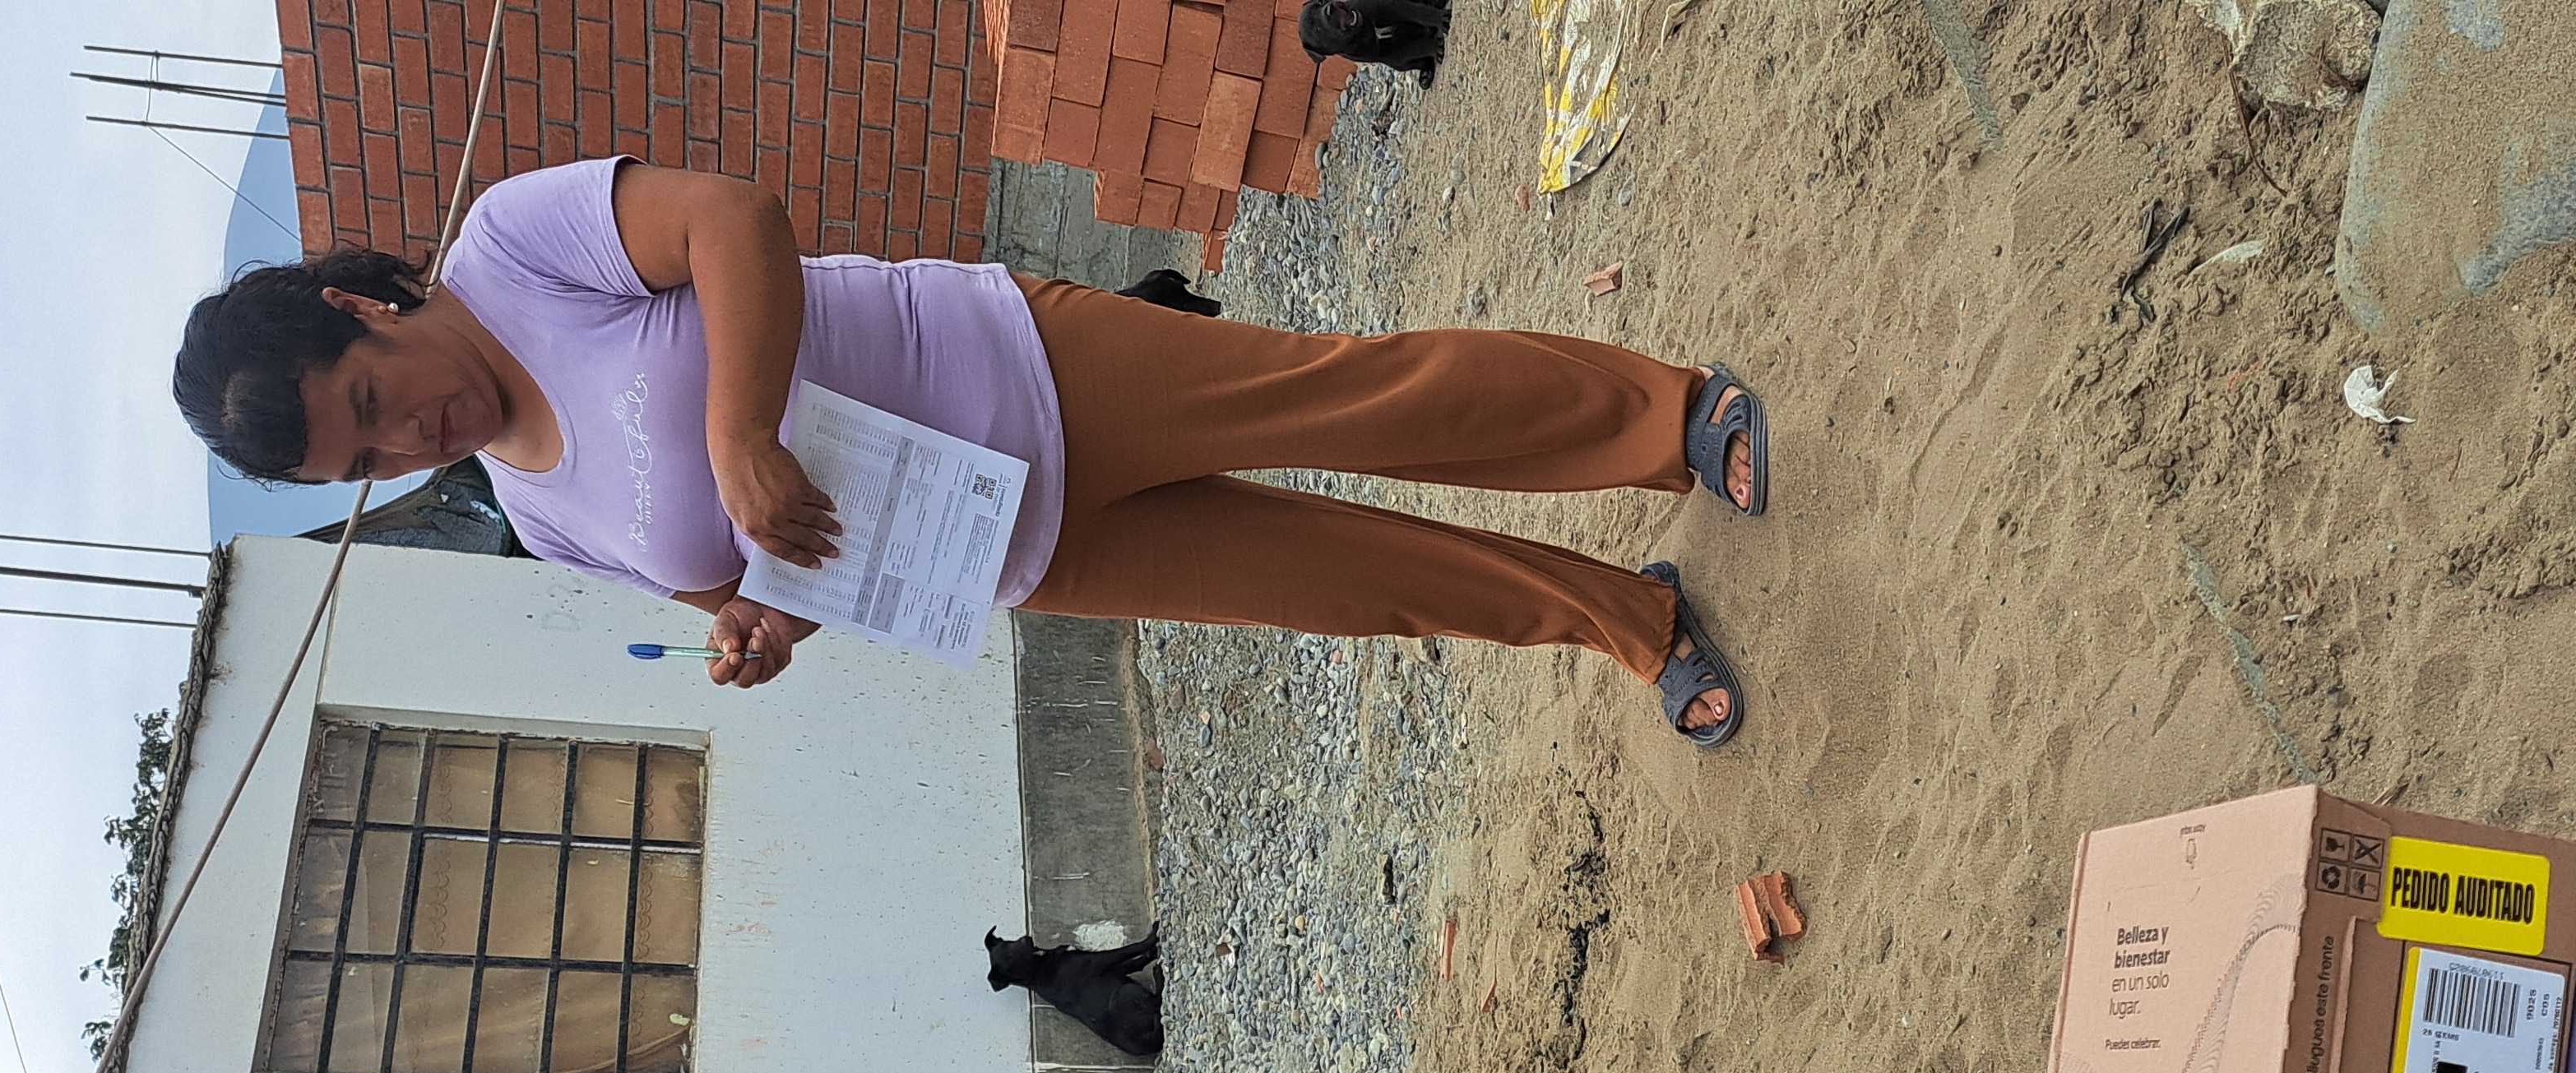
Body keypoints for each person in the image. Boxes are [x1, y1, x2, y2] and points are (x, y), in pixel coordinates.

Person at [173, 157, 1764, 742]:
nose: (407, 441)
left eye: (369, 404)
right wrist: (758, 626)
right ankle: (1630, 622)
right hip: (1005, 547)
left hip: (1021, 367)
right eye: (362, 470)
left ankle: (1663, 420)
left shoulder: (516, 246)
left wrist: (739, 428)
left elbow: (732, 222)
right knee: (1355, 586)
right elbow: (736, 571)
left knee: (1363, 403)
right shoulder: (538, 518)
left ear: (357, 310)